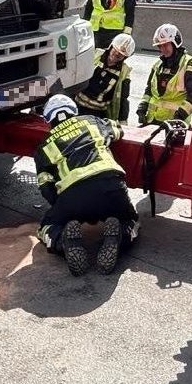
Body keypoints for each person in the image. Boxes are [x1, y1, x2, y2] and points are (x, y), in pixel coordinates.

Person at [33, 94, 139, 276]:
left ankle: (63, 240)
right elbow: (118, 131)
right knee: (130, 220)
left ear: (48, 119)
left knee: (47, 226)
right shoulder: (91, 121)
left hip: (74, 194)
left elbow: (46, 186)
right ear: (74, 111)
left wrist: (62, 208)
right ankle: (118, 235)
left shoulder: (45, 146)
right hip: (111, 186)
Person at [137, 23, 192, 126]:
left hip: (175, 125)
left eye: (165, 45)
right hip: (151, 121)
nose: (162, 49)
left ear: (175, 43)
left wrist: (178, 117)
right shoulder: (157, 65)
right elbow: (149, 90)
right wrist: (142, 108)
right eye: (160, 46)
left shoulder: (189, 64)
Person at [73, 32, 134, 122]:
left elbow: (123, 99)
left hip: (97, 114)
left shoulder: (124, 72)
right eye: (115, 51)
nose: (116, 55)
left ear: (125, 57)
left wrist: (123, 121)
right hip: (77, 105)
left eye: (120, 55)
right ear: (111, 47)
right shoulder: (95, 54)